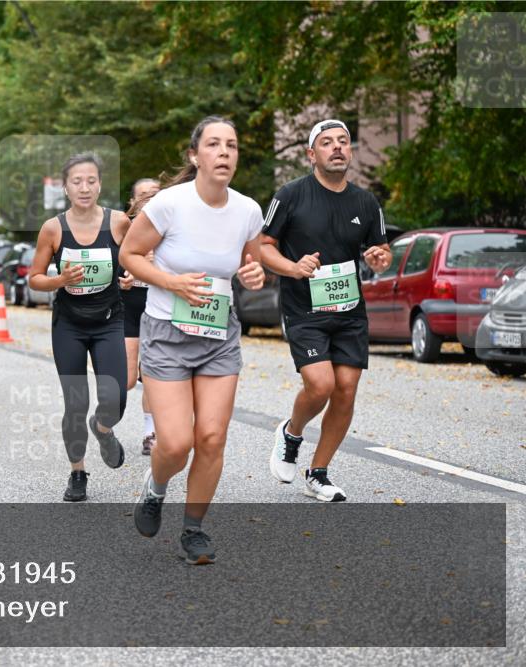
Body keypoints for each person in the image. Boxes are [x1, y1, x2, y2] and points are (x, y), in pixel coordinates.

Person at [122, 116, 265, 564]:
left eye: (232, 146)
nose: (225, 153)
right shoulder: (168, 204)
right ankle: (156, 486)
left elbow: (250, 265)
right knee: (176, 443)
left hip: (219, 334)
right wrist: (171, 282)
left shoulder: (247, 210)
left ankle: (194, 530)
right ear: (195, 155)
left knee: (211, 437)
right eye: (215, 145)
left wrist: (254, 274)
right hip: (166, 333)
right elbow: (129, 254)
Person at [260, 119, 391, 502]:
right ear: (311, 153)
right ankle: (291, 433)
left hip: (349, 310)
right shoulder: (291, 195)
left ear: (350, 151)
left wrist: (381, 259)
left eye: (343, 142)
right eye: (327, 142)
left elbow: (380, 252)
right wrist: (292, 267)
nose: (337, 148)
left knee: (346, 391)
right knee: (321, 385)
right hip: (305, 309)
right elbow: (263, 246)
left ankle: (318, 473)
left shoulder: (366, 202)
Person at [27, 154, 131, 502]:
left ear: (100, 184)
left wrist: (131, 276)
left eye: (91, 180)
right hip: (69, 325)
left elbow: (140, 258)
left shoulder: (119, 222)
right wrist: (60, 279)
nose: (84, 187)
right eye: (77, 181)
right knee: (76, 403)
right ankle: (78, 472)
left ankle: (103, 429)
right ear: (66, 187)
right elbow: (34, 279)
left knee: (116, 398)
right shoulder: (54, 228)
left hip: (109, 322)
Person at [120, 178, 160, 455]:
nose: (150, 199)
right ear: (133, 202)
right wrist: (123, 277)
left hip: (158, 303)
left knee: (152, 373)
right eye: (144, 195)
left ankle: (150, 433)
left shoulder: (170, 224)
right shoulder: (123, 227)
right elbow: (115, 261)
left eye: (155, 194)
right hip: (129, 304)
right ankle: (105, 421)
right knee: (128, 378)